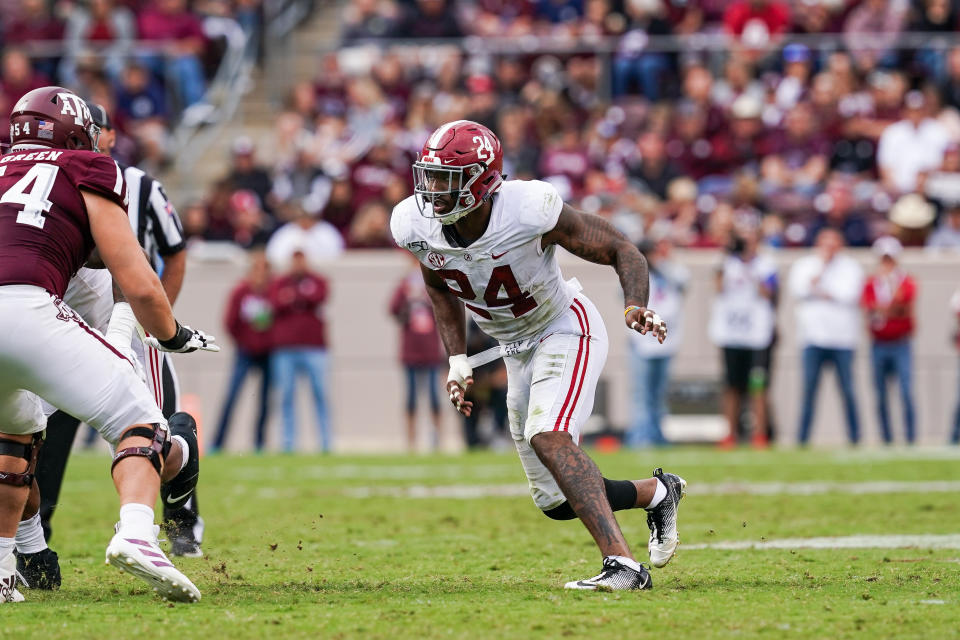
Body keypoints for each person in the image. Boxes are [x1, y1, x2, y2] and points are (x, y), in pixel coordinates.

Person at [391, 120, 684, 591]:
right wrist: (458, 359)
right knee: (554, 501)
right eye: (429, 176)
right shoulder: (414, 223)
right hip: (514, 348)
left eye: (447, 179)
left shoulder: (529, 209)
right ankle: (657, 493)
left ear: (483, 180)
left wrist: (635, 304)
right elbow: (436, 279)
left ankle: (624, 567)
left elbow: (620, 247)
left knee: (548, 435)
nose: (433, 190)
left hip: (563, 326)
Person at [0, 86, 217, 604]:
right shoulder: (88, 168)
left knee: (14, 439)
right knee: (144, 423)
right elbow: (139, 280)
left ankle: (5, 569)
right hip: (29, 307)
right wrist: (172, 334)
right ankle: (138, 534)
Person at [789, 228, 864, 445]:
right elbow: (799, 290)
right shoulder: (805, 265)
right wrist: (821, 276)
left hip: (843, 340)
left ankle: (855, 438)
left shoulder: (851, 267)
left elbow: (848, 295)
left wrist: (821, 290)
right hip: (812, 338)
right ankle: (802, 439)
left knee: (848, 391)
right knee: (809, 392)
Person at [709, 227, 778, 449]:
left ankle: (760, 434)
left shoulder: (766, 265)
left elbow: (769, 292)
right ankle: (729, 433)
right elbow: (718, 287)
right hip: (732, 334)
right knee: (731, 386)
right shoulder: (728, 264)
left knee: (758, 386)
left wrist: (750, 268)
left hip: (757, 335)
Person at [625, 236, 688, 448]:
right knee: (642, 394)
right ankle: (641, 437)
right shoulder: (636, 275)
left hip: (665, 342)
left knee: (659, 394)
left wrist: (662, 263)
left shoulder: (670, 272)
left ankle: (658, 435)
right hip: (641, 343)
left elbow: (683, 282)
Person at [269, 250, 332, 452]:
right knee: (286, 396)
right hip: (285, 349)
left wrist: (294, 297)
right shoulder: (280, 282)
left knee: (320, 394)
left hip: (314, 347)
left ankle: (325, 442)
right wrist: (298, 298)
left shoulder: (317, 280)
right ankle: (288, 443)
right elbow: (275, 302)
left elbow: (320, 296)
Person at [212, 248, 274, 452]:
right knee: (232, 397)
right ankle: (218, 443)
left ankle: (259, 444)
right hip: (245, 352)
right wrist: (244, 341)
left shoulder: (274, 292)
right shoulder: (241, 291)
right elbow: (230, 322)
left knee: (265, 401)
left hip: (268, 353)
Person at [861, 237, 917, 444]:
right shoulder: (870, 283)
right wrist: (889, 307)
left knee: (906, 391)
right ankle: (886, 439)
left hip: (901, 342)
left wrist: (886, 305)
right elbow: (870, 310)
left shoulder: (906, 281)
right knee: (881, 395)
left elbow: (903, 307)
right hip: (879, 343)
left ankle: (910, 438)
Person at [389, 256, 445, 452]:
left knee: (434, 398)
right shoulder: (404, 286)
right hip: (410, 352)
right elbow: (393, 309)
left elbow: (445, 308)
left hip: (430, 351)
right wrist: (407, 295)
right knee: (411, 399)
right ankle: (411, 441)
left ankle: (437, 439)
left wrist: (425, 296)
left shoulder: (432, 285)